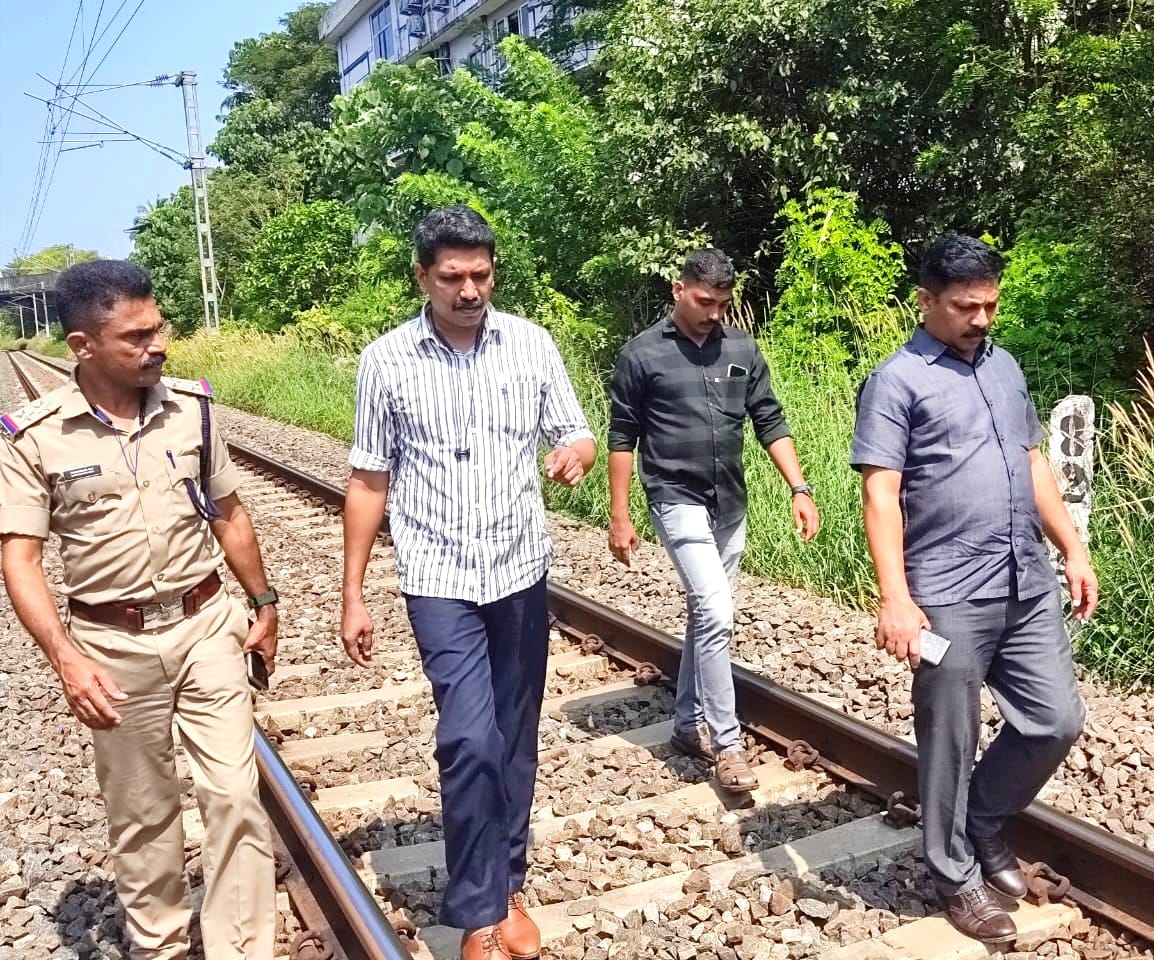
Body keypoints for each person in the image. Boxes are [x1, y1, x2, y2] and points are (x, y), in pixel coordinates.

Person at [0, 260, 279, 959]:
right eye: (136, 337)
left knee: (234, 796)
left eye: (159, 329)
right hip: (110, 643)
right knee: (144, 813)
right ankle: (160, 945)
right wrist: (67, 660)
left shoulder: (192, 409)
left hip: (207, 622)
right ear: (82, 347)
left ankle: (239, 950)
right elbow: (20, 560)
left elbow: (230, 514)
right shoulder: (34, 437)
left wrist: (264, 601)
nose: (158, 345)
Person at [340, 205, 596, 960]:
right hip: (438, 575)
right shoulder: (386, 360)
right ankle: (479, 912)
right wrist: (353, 593)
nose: (469, 288)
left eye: (480, 273)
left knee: (514, 739)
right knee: (468, 739)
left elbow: (573, 429)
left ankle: (506, 880)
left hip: (519, 569)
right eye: (452, 276)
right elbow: (366, 480)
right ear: (422, 277)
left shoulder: (533, 346)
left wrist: (577, 453)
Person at [852, 234, 1097, 942]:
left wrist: (1072, 550)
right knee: (949, 740)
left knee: (1054, 719)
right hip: (946, 593)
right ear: (926, 301)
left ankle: (983, 821)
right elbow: (880, 494)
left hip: (1025, 580)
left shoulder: (1006, 367)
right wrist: (894, 596)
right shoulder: (896, 381)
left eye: (990, 304)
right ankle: (956, 876)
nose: (982, 318)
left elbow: (1032, 461)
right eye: (966, 307)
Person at [606, 248, 820, 794]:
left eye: (723, 303)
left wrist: (799, 487)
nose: (713, 313)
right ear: (679, 290)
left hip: (729, 502)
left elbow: (769, 419)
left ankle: (684, 726)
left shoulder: (742, 350)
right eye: (704, 301)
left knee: (707, 618)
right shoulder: (641, 355)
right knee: (717, 613)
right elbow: (622, 436)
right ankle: (727, 744)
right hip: (675, 498)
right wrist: (620, 513)